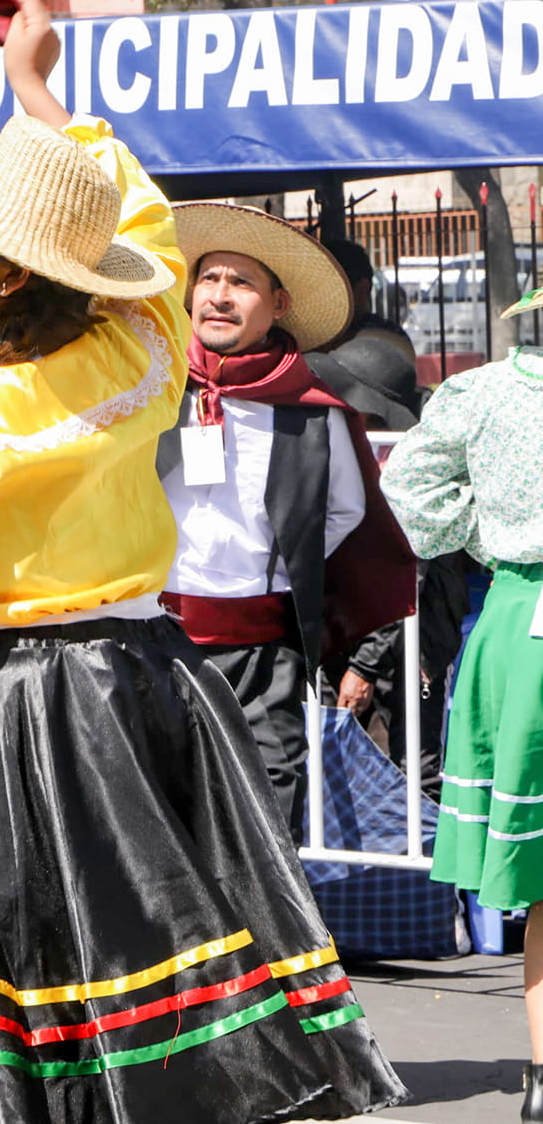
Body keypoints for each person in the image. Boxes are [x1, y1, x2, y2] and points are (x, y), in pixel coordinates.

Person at [0, 0, 403, 1122]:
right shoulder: (143, 351)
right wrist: (38, 94)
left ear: (7, 271)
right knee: (160, 964)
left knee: (17, 986)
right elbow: (142, 228)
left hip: (14, 707)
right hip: (145, 678)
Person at [156, 202, 415, 830]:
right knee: (162, 824)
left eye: (241, 283)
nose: (219, 296)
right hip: (154, 644)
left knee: (266, 825)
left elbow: (346, 511)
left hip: (264, 656)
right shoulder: (152, 387)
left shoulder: (310, 405)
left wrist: (281, 559)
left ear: (277, 303)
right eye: (210, 278)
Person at [381, 325, 543, 1122]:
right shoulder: (481, 392)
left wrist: (491, 540)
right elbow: (406, 489)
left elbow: (408, 487)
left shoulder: (480, 393)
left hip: (522, 610)